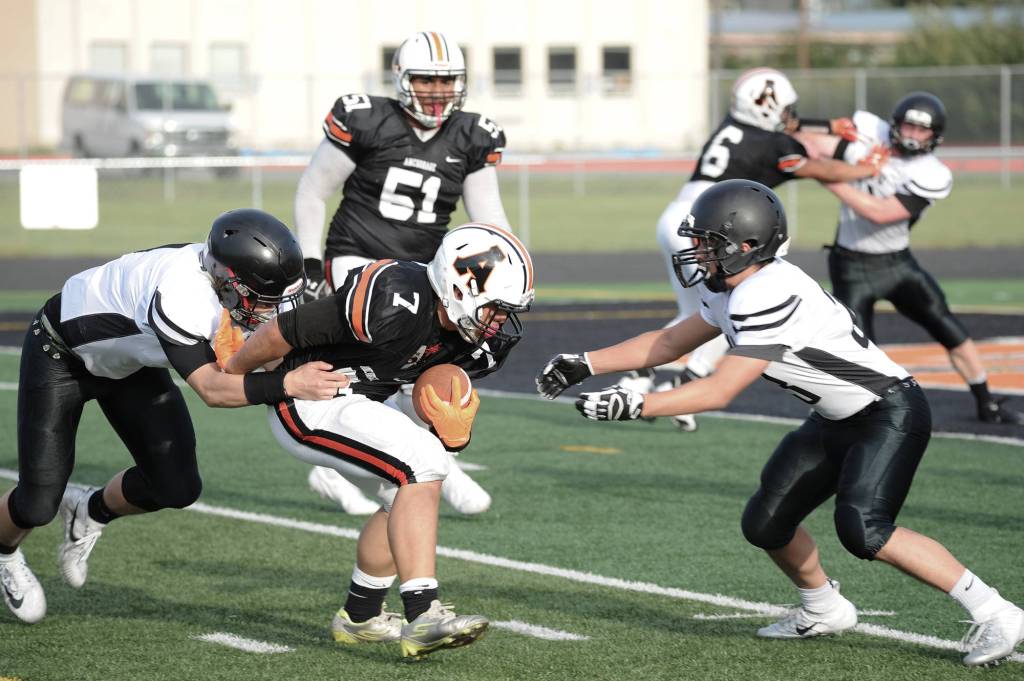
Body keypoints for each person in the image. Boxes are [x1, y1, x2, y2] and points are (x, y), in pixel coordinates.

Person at [536, 179, 1024, 668]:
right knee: (766, 523)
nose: (697, 252)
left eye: (708, 242)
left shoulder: (767, 292)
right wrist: (586, 363)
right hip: (836, 417)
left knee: (864, 529)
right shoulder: (732, 286)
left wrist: (637, 405)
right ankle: (824, 607)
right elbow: (669, 343)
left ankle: (996, 611)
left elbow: (719, 390)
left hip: (888, 411)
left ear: (746, 245)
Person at [0, 209, 347, 625]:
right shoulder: (182, 294)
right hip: (61, 356)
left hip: (129, 363)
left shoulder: (223, 279)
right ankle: (4, 553)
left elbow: (266, 352)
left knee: (177, 486)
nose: (272, 308)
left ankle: (89, 509)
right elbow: (213, 389)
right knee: (37, 504)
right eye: (265, 298)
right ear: (228, 280)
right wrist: (289, 383)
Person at [224, 223, 534, 659]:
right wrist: (235, 373)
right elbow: (284, 331)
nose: (500, 321)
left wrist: (453, 430)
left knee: (402, 497)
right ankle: (423, 614)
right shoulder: (396, 297)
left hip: (360, 401)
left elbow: (429, 393)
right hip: (310, 396)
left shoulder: (475, 342)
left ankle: (360, 617)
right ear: (459, 288)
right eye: (496, 308)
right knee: (422, 462)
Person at [293, 30, 511, 514]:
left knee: (428, 369)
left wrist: (508, 272)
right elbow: (312, 191)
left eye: (446, 81)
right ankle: (435, 467)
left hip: (425, 272)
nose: (437, 91)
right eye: (426, 80)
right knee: (383, 366)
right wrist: (309, 263)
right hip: (358, 258)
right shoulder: (367, 119)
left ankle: (338, 467)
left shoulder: (472, 135)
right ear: (401, 79)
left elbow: (490, 220)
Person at [638, 67, 888, 432]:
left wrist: (827, 126)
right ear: (766, 107)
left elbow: (782, 124)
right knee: (730, 309)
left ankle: (643, 376)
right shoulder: (773, 144)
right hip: (716, 228)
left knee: (699, 311)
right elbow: (820, 169)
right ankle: (682, 382)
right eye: (784, 108)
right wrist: (866, 169)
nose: (789, 116)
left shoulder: (737, 124)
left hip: (682, 216)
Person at [804, 91, 1021, 425]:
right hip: (850, 266)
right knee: (858, 349)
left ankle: (986, 401)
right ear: (895, 124)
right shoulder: (870, 136)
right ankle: (864, 416)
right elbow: (811, 144)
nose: (913, 135)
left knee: (946, 325)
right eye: (909, 126)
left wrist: (829, 177)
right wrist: (829, 156)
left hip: (896, 264)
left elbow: (879, 213)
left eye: (922, 130)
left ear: (935, 136)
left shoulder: (930, 173)